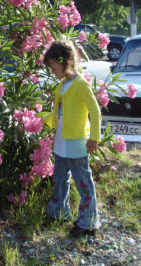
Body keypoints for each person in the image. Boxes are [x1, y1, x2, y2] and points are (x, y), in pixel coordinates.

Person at [41, 39, 101, 237]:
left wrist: (94, 138)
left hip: (77, 144)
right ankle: (59, 212)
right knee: (60, 180)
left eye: (53, 67)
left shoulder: (80, 84)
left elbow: (95, 110)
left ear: (65, 61)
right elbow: (56, 113)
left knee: (83, 182)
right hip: (61, 144)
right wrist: (38, 119)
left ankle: (88, 221)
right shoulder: (62, 85)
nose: (52, 71)